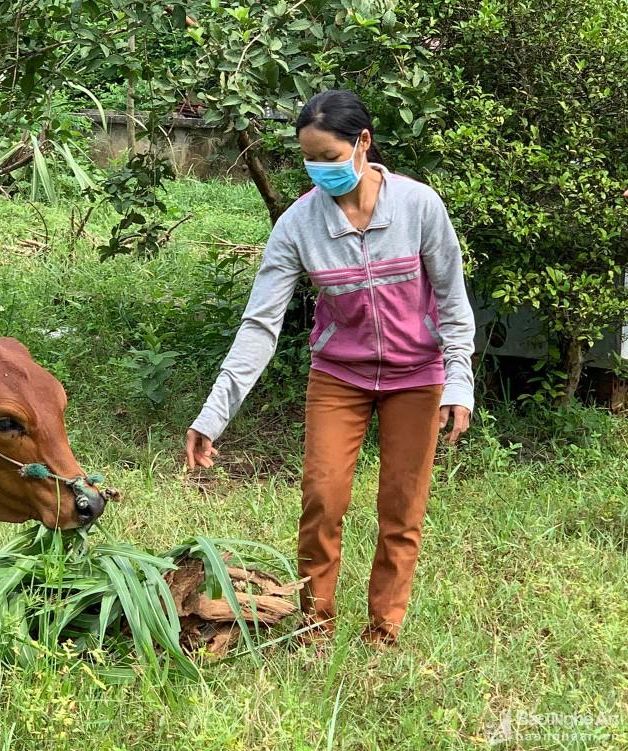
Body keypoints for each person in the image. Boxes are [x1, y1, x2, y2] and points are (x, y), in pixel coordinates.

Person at [184, 89, 476, 648]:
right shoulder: (297, 225)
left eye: (329, 157)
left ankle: (383, 629)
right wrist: (211, 416)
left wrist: (458, 382)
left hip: (417, 378)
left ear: (363, 143)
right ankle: (315, 627)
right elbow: (260, 326)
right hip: (339, 378)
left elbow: (454, 303)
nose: (319, 171)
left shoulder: (419, 207)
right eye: (308, 159)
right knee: (322, 498)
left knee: (402, 504)